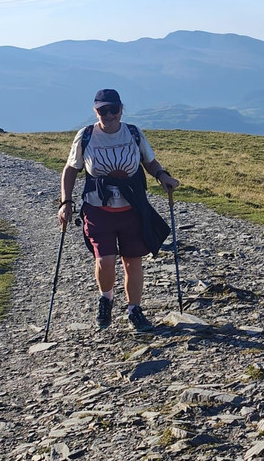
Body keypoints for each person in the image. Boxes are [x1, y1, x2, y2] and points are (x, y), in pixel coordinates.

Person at [58, 89, 179, 332]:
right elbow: (71, 169)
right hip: (97, 209)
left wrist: (162, 175)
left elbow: (149, 161)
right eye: (103, 110)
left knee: (133, 263)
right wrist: (66, 202)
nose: (109, 114)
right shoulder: (86, 136)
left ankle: (134, 309)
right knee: (105, 260)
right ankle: (106, 298)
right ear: (96, 111)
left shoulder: (133, 132)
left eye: (113, 109)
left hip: (132, 208)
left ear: (121, 109)